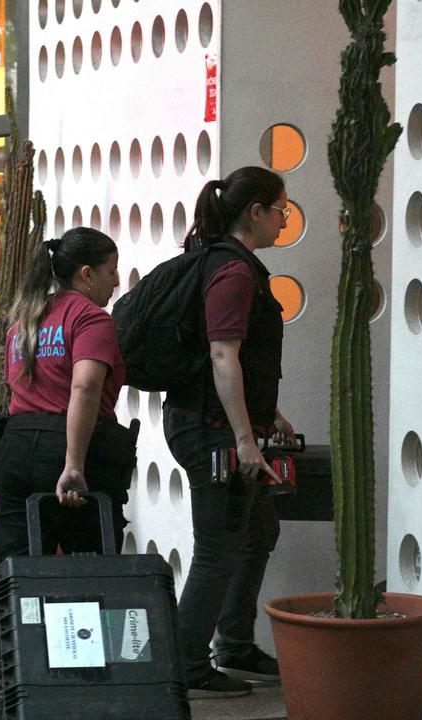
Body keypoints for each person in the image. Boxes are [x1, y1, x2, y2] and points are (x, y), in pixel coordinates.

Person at [163, 166, 299, 698]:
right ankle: (187, 664)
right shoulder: (234, 272)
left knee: (258, 530)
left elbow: (237, 360)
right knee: (219, 546)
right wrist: (245, 439)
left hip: (219, 422)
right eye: (281, 210)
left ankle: (235, 644)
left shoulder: (230, 264)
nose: (286, 220)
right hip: (212, 430)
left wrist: (271, 415)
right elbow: (222, 354)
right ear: (255, 212)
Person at [0, 227, 134, 720]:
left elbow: (16, 389)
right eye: (112, 271)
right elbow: (86, 389)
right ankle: (81, 692)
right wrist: (73, 464)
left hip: (15, 450)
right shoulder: (91, 318)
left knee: (16, 571)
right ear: (87, 273)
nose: (116, 282)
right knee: (83, 569)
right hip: (67, 451)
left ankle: (11, 693)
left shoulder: (26, 316)